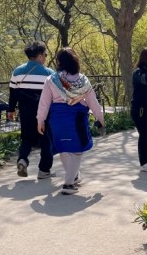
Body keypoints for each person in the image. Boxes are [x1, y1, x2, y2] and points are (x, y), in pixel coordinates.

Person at [37, 47, 104, 195]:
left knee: (64, 148)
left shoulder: (52, 79)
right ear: (75, 60)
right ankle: (68, 184)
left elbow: (44, 103)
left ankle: (73, 176)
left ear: (59, 61)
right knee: (77, 150)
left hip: (56, 118)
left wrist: (40, 120)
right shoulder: (82, 80)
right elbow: (93, 102)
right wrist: (100, 118)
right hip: (76, 117)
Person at [8, 42, 55, 178]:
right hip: (45, 113)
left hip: (25, 112)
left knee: (27, 138)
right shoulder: (49, 73)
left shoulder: (17, 72)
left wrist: (11, 110)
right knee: (46, 140)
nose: (45, 57)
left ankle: (22, 159)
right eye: (45, 55)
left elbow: (13, 93)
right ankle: (44, 170)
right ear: (39, 56)